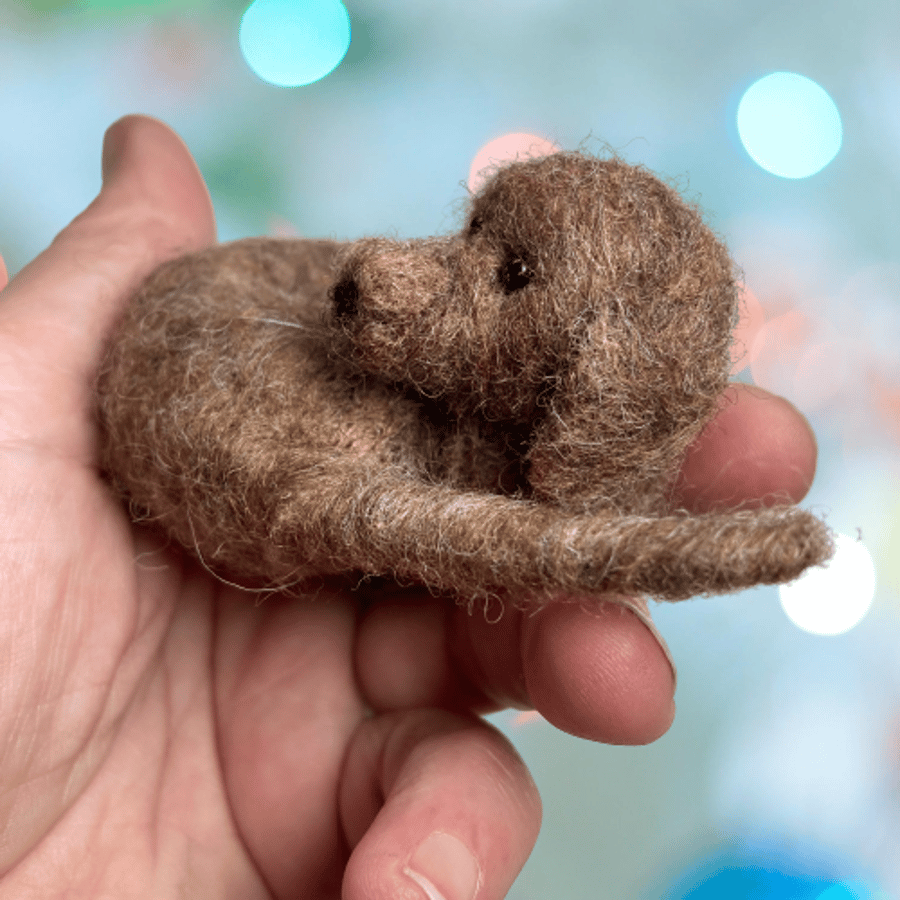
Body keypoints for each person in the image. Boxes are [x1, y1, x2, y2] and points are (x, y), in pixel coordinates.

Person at [0, 115, 819, 899]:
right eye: (476, 233)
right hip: (205, 417)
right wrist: (701, 550)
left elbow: (521, 541)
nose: (388, 267)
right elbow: (527, 545)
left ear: (595, 392)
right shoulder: (321, 454)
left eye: (512, 278)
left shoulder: (424, 465)